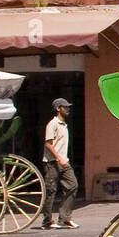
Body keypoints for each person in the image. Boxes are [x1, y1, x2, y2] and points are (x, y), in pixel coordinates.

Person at [41, 97, 78, 229]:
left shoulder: (64, 125)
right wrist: (59, 159)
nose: (67, 109)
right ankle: (47, 221)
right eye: (65, 107)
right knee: (51, 191)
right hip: (52, 162)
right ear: (58, 109)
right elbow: (48, 144)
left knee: (73, 185)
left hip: (64, 162)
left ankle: (64, 218)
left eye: (68, 107)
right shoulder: (53, 124)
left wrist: (64, 160)